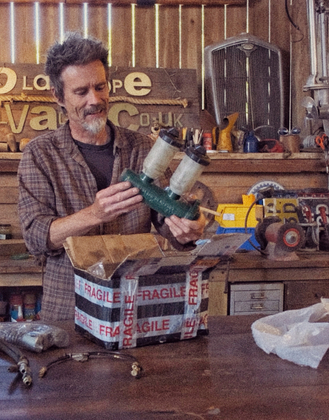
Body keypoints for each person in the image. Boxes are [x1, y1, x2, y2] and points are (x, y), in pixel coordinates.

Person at [17, 33, 206, 321]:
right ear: (58, 97)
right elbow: (36, 236)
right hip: (70, 307)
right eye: (81, 92)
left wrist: (188, 228)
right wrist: (94, 214)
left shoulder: (144, 148)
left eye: (100, 87)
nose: (95, 100)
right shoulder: (40, 155)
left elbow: (167, 222)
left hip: (134, 304)